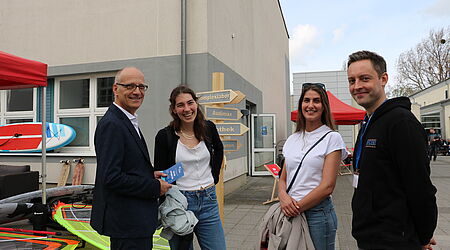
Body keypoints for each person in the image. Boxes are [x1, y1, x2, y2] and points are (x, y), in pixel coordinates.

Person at [347, 50, 438, 250]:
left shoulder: (400, 123)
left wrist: (423, 235)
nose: (357, 86)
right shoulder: (368, 123)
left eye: (364, 78)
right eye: (352, 80)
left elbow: (420, 186)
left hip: (395, 240)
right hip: (370, 236)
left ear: (383, 79)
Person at [91, 67, 172, 250]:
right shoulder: (112, 124)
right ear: (115, 89)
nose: (137, 92)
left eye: (141, 87)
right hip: (127, 224)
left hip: (133, 223)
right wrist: (154, 187)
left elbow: (127, 166)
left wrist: (150, 175)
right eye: (130, 86)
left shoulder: (126, 120)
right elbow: (112, 177)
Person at [154, 85, 226, 250]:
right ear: (173, 109)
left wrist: (214, 178)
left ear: (196, 104)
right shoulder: (165, 136)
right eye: (180, 105)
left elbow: (219, 150)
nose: (187, 109)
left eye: (190, 103)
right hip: (180, 203)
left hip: (208, 200)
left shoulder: (209, 128)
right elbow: (161, 172)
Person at [278, 83, 348, 250]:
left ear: (324, 106)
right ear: (301, 104)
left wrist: (294, 208)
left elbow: (327, 186)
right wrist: (283, 198)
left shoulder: (332, 138)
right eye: (306, 100)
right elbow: (283, 179)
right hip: (290, 210)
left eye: (316, 101)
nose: (310, 105)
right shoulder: (292, 139)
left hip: (317, 215)